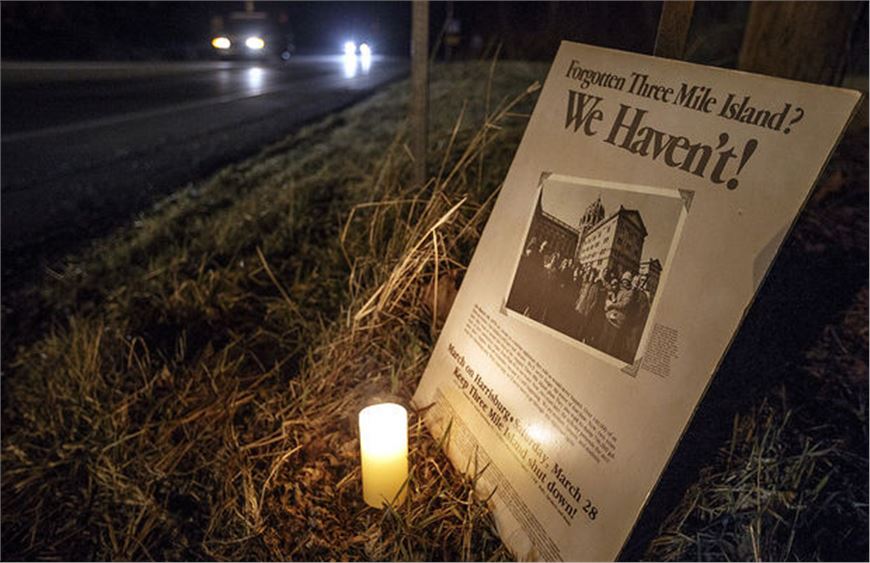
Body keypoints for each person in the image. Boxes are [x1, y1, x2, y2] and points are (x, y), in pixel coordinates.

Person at [599, 271, 639, 359]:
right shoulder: (620, 290)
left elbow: (623, 304)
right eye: (624, 280)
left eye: (627, 280)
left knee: (610, 345)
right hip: (609, 318)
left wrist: (611, 305)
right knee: (603, 341)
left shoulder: (630, 293)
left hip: (617, 322)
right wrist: (603, 280)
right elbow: (611, 289)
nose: (625, 282)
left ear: (629, 281)